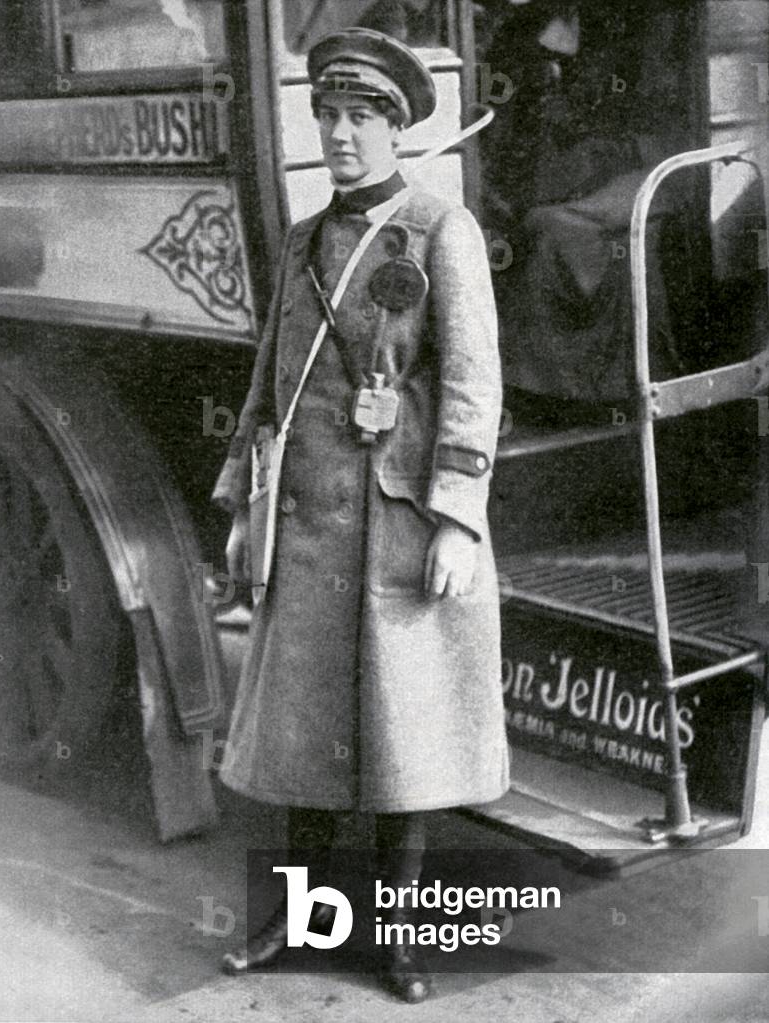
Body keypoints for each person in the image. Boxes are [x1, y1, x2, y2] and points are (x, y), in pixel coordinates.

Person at [211, 27, 509, 1003]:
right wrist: (242, 502)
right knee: (301, 736)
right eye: (329, 116)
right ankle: (296, 920)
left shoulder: (439, 231)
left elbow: (472, 383)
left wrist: (459, 517)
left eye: (362, 118)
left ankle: (402, 939)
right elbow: (272, 386)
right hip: (304, 520)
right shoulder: (303, 243)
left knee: (403, 737)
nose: (341, 135)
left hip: (397, 520)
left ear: (397, 128)